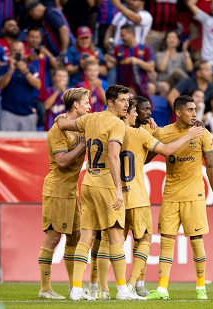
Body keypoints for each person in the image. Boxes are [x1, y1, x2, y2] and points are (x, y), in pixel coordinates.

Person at [56, 85, 144, 301]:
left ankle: (76, 289)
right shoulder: (116, 124)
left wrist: (59, 119)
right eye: (123, 100)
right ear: (111, 102)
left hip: (87, 182)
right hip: (105, 184)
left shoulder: (91, 119)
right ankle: (122, 290)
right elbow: (113, 156)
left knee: (86, 237)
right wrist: (117, 189)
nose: (127, 104)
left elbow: (62, 123)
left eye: (128, 100)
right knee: (115, 236)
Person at [116, 97, 204, 297]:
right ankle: (130, 286)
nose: (147, 113)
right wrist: (186, 135)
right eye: (142, 110)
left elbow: (142, 158)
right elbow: (161, 151)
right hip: (136, 194)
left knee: (110, 241)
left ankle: (101, 288)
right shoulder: (141, 133)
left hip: (114, 193)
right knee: (143, 239)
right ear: (132, 111)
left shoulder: (115, 130)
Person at [146, 95, 213, 301]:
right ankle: (162, 289)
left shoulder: (203, 134)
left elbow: (210, 166)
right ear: (178, 112)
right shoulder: (165, 133)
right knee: (166, 240)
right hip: (171, 193)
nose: (194, 114)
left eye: (195, 109)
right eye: (190, 110)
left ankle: (201, 288)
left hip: (195, 194)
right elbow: (146, 158)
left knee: (197, 241)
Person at [38, 87, 91, 299]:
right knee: (52, 239)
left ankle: (73, 287)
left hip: (71, 191)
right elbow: (61, 162)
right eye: (86, 102)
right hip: (57, 190)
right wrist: (81, 146)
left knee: (74, 238)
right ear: (75, 105)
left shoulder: (78, 126)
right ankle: (45, 288)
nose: (89, 106)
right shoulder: (57, 131)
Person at [0, 41, 42, 131]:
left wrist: (25, 72)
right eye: (14, 50)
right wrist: (11, 70)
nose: (17, 53)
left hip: (28, 113)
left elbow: (38, 85)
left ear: (24, 52)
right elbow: (1, 86)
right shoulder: (4, 68)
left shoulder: (31, 68)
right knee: (6, 143)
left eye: (20, 50)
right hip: (8, 112)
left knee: (28, 144)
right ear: (9, 52)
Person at [105, 24, 155, 99]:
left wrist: (137, 61)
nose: (121, 38)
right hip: (122, 89)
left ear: (132, 34)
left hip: (140, 90)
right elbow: (111, 65)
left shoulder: (145, 49)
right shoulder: (118, 48)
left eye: (123, 35)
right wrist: (108, 59)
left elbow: (151, 67)